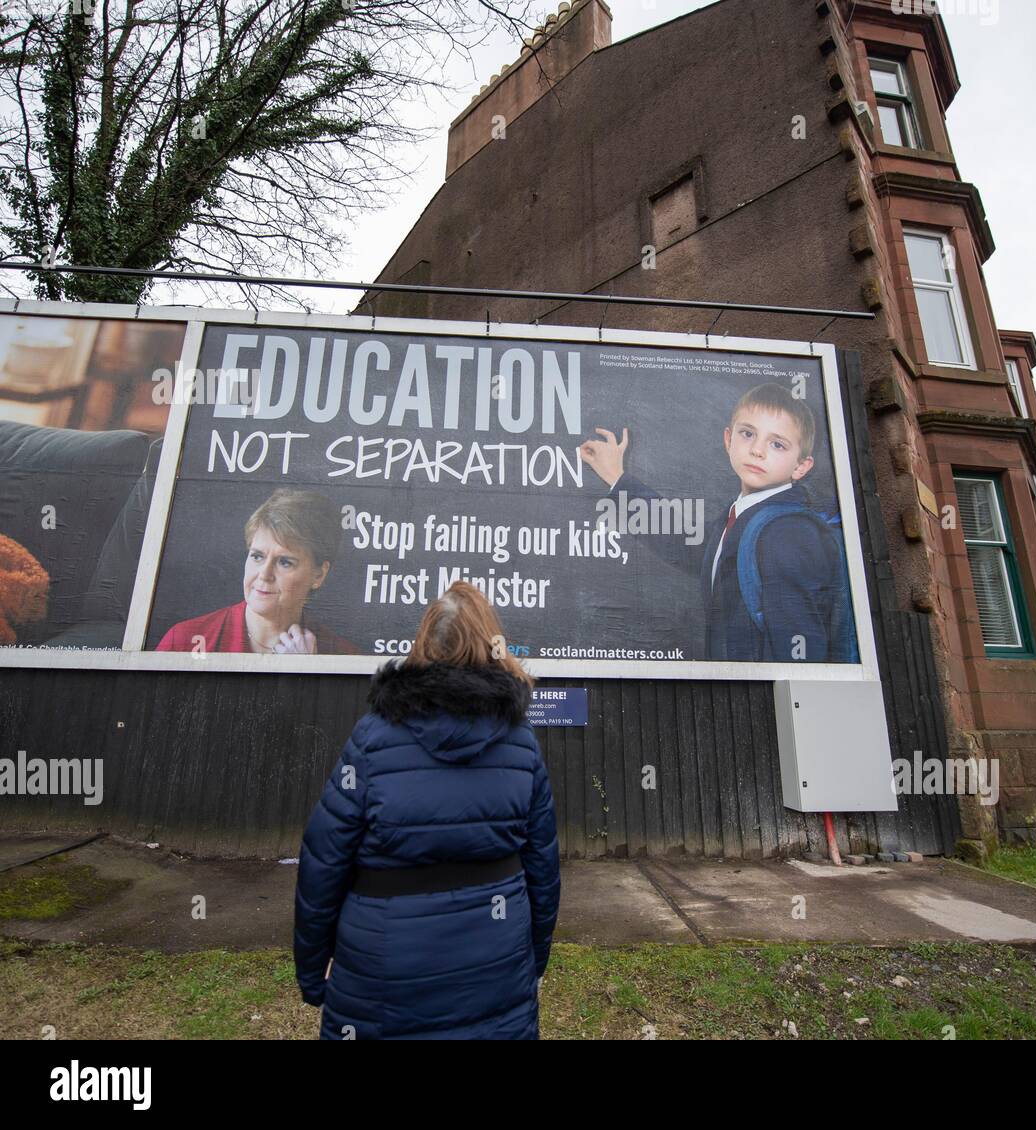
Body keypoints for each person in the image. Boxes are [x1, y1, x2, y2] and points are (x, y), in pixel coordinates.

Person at [293, 581, 561, 1040]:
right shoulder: (521, 743)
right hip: (496, 967)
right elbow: (543, 874)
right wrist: (531, 964)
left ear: (423, 643)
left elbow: (323, 863)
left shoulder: (373, 736)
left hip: (382, 968)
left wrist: (313, 972)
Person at [580, 381, 854, 662]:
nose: (757, 450)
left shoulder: (788, 532)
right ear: (728, 439)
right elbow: (687, 543)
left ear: (801, 466)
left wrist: (790, 700)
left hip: (768, 699)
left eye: (777, 444)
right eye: (748, 434)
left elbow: (799, 644)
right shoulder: (742, 516)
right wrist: (617, 478)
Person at [155, 488, 358, 655]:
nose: (264, 574)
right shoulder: (183, 641)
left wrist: (306, 678)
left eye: (285, 562)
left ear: (319, 575)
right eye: (257, 556)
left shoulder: (344, 656)